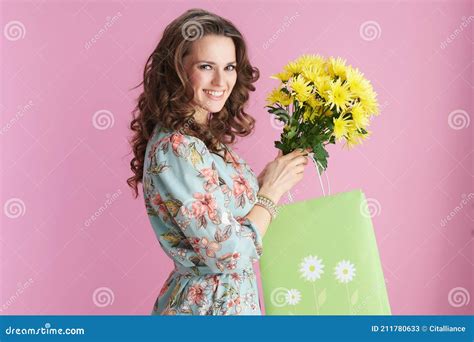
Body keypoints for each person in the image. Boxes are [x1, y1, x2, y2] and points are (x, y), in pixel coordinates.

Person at [127, 8, 310, 315]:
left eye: (229, 67)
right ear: (177, 69)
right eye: (206, 66)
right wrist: (270, 194)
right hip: (207, 308)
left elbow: (230, 219)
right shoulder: (177, 146)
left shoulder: (202, 140)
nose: (220, 80)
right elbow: (227, 254)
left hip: (230, 304)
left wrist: (266, 182)